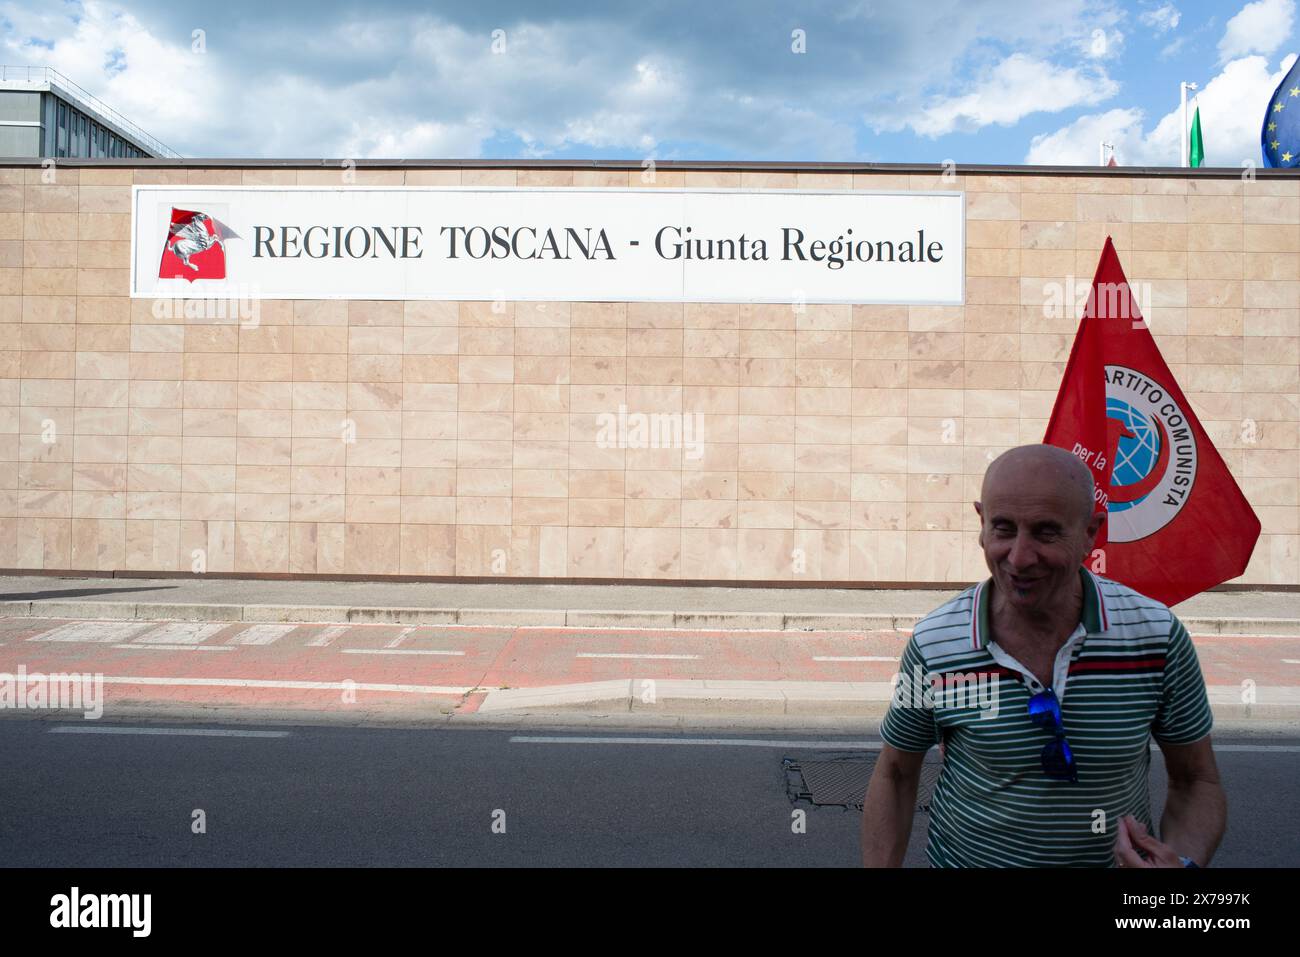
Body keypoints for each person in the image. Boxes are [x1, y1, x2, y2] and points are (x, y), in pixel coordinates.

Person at [860, 444, 1226, 867]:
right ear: (981, 523)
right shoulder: (934, 643)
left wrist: (1182, 863)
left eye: (1046, 532)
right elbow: (896, 774)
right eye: (1003, 529)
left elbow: (1195, 779)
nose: (1019, 557)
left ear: (1091, 531)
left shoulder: (1156, 637)